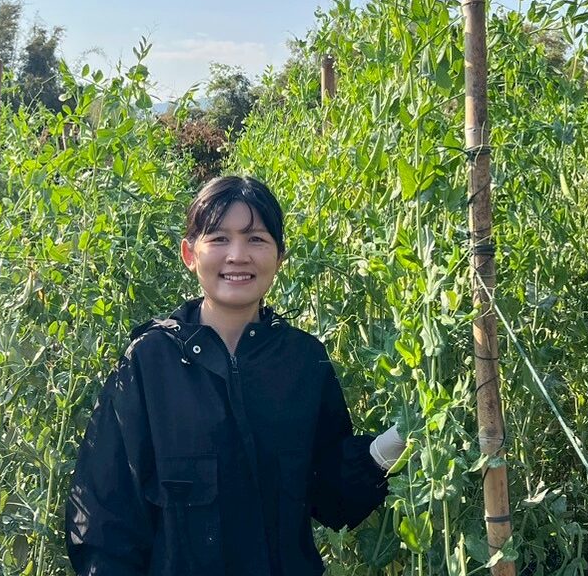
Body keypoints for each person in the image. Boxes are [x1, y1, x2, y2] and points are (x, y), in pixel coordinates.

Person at [66, 175, 405, 575]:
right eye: (219, 238)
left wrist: (398, 441)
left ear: (280, 256)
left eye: (256, 239)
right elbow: (104, 515)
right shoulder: (149, 361)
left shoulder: (303, 360)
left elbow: (331, 496)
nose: (238, 256)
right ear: (190, 254)